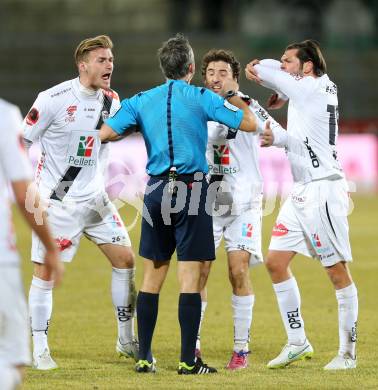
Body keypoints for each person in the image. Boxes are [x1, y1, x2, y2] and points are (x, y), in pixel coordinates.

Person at [100, 33, 258, 374]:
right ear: (190, 68)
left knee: (151, 277)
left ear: (163, 68)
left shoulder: (141, 100)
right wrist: (234, 95)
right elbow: (248, 123)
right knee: (189, 278)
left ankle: (144, 357)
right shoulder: (201, 97)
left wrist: (138, 126)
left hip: (156, 189)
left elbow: (106, 133)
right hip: (192, 189)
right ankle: (188, 361)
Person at [23, 35, 138, 370]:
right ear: (83, 64)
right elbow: (22, 141)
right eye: (102, 60)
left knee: (126, 260)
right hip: (57, 202)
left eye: (111, 60)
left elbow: (120, 128)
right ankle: (40, 348)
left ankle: (125, 338)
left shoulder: (111, 99)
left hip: (96, 200)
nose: (109, 65)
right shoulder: (52, 99)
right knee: (45, 274)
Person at [245, 39, 358, 370]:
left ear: (306, 66)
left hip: (323, 191)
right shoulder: (307, 91)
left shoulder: (309, 87)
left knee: (337, 273)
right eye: (281, 61)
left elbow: (260, 70)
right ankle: (297, 342)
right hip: (301, 191)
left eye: (288, 61)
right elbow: (301, 139)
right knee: (276, 262)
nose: (282, 66)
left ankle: (347, 355)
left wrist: (259, 67)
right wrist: (276, 137)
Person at [197, 49, 287, 370]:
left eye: (223, 72)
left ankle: (241, 348)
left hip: (244, 202)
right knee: (199, 272)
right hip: (207, 202)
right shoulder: (198, 105)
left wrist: (271, 135)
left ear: (234, 77)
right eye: (210, 72)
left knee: (238, 271)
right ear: (204, 77)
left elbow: (277, 133)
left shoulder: (249, 105)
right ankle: (192, 346)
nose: (216, 78)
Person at [0, 98, 64, 390]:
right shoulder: (5, 115)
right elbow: (24, 191)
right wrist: (50, 247)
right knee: (11, 361)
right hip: (2, 259)